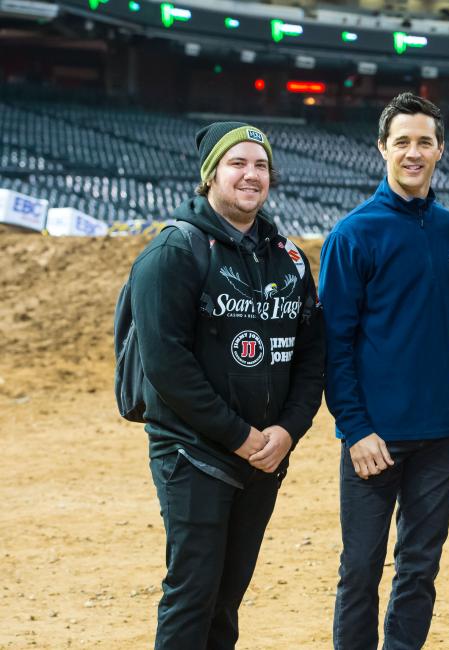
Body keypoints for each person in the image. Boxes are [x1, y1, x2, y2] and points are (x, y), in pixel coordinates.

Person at [128, 121, 325, 649]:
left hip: (264, 457)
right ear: (210, 174)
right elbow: (166, 366)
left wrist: (287, 430)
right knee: (192, 595)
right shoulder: (174, 252)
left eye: (260, 165)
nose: (251, 174)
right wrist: (239, 435)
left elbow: (311, 356)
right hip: (193, 453)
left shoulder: (287, 259)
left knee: (227, 598)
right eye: (237, 163)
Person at [319, 93, 449, 650]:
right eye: (401, 141)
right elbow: (333, 344)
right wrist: (354, 428)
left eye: (424, 141)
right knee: (360, 570)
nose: (413, 152)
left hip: (442, 433)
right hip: (375, 438)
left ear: (440, 150)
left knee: (419, 568)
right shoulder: (352, 235)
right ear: (382, 148)